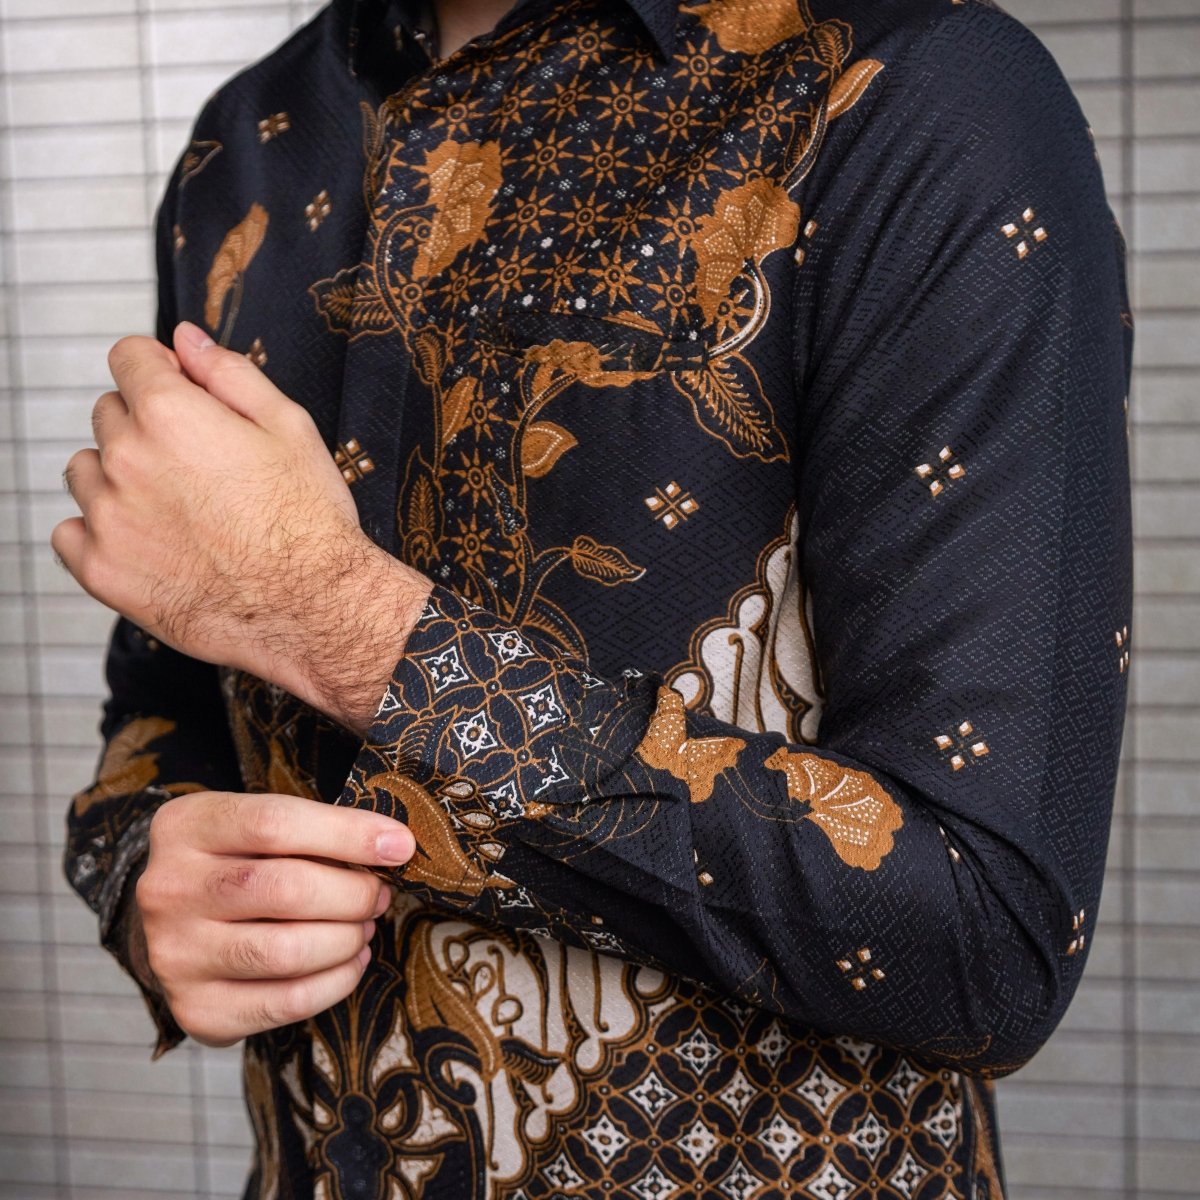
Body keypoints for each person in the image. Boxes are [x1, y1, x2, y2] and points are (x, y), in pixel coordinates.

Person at [56, 0, 1134, 1196]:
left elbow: (989, 942)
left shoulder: (927, 96)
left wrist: (337, 622)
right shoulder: (248, 139)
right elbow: (160, 713)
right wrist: (146, 883)